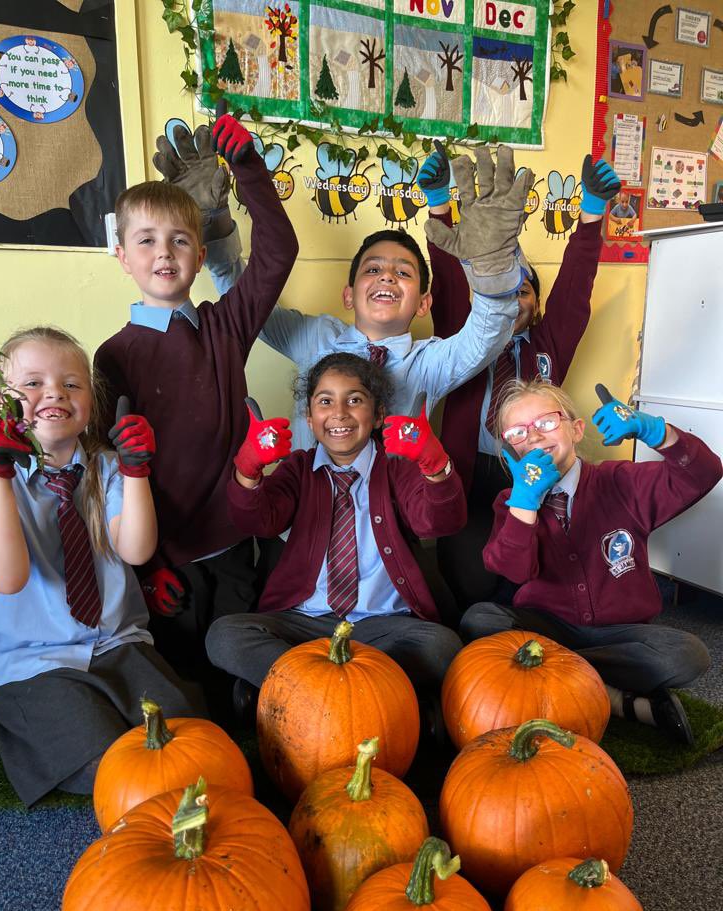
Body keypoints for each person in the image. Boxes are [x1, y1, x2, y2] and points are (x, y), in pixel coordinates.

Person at [0, 327, 205, 806]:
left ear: (92, 400)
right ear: (3, 402)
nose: (53, 392)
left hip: (116, 644)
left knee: (184, 735)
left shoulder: (108, 468)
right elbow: (7, 578)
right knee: (103, 758)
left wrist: (136, 473)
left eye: (72, 384)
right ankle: (35, 726)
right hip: (32, 659)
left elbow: (134, 550)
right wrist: (0, 478)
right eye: (32, 384)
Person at [94, 109, 299, 684]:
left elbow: (278, 251)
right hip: (163, 551)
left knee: (237, 663)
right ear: (124, 256)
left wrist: (250, 170)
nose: (165, 252)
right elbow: (112, 473)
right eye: (147, 240)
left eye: (180, 239)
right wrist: (147, 565)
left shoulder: (226, 326)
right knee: (180, 681)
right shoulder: (113, 356)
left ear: (200, 254)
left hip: (233, 541)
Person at [169, 138, 534, 451]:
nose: (387, 277)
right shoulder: (316, 338)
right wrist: (213, 225)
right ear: (349, 295)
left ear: (424, 303)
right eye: (372, 269)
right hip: (303, 525)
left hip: (389, 525)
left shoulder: (430, 363)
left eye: (403, 272)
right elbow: (245, 300)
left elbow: (486, 333)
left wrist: (490, 267)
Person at [205, 352, 466, 723]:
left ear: (377, 415)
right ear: (310, 419)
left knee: (441, 647)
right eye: (325, 401)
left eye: (354, 400)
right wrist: (248, 471)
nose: (339, 412)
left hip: (381, 626)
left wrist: (435, 466)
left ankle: (288, 692)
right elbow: (260, 520)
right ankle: (370, 699)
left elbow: (438, 522)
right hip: (305, 624)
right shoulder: (298, 469)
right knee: (224, 636)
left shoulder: (397, 470)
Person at [459, 379, 722, 745]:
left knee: (688, 654)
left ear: (576, 428)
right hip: (548, 629)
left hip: (620, 633)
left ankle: (562, 684)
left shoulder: (621, 483)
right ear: (509, 452)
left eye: (547, 423)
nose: (534, 436)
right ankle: (617, 700)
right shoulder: (510, 500)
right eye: (519, 432)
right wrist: (525, 504)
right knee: (481, 620)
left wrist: (655, 431)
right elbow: (512, 570)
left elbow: (704, 473)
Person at [416, 147, 621, 610]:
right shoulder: (462, 339)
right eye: (502, 289)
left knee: (533, 579)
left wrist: (591, 211)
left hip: (532, 475)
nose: (512, 298)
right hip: (470, 477)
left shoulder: (549, 344)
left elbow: (575, 287)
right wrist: (438, 206)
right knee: (470, 583)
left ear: (536, 307)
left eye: (522, 290)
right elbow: (451, 281)